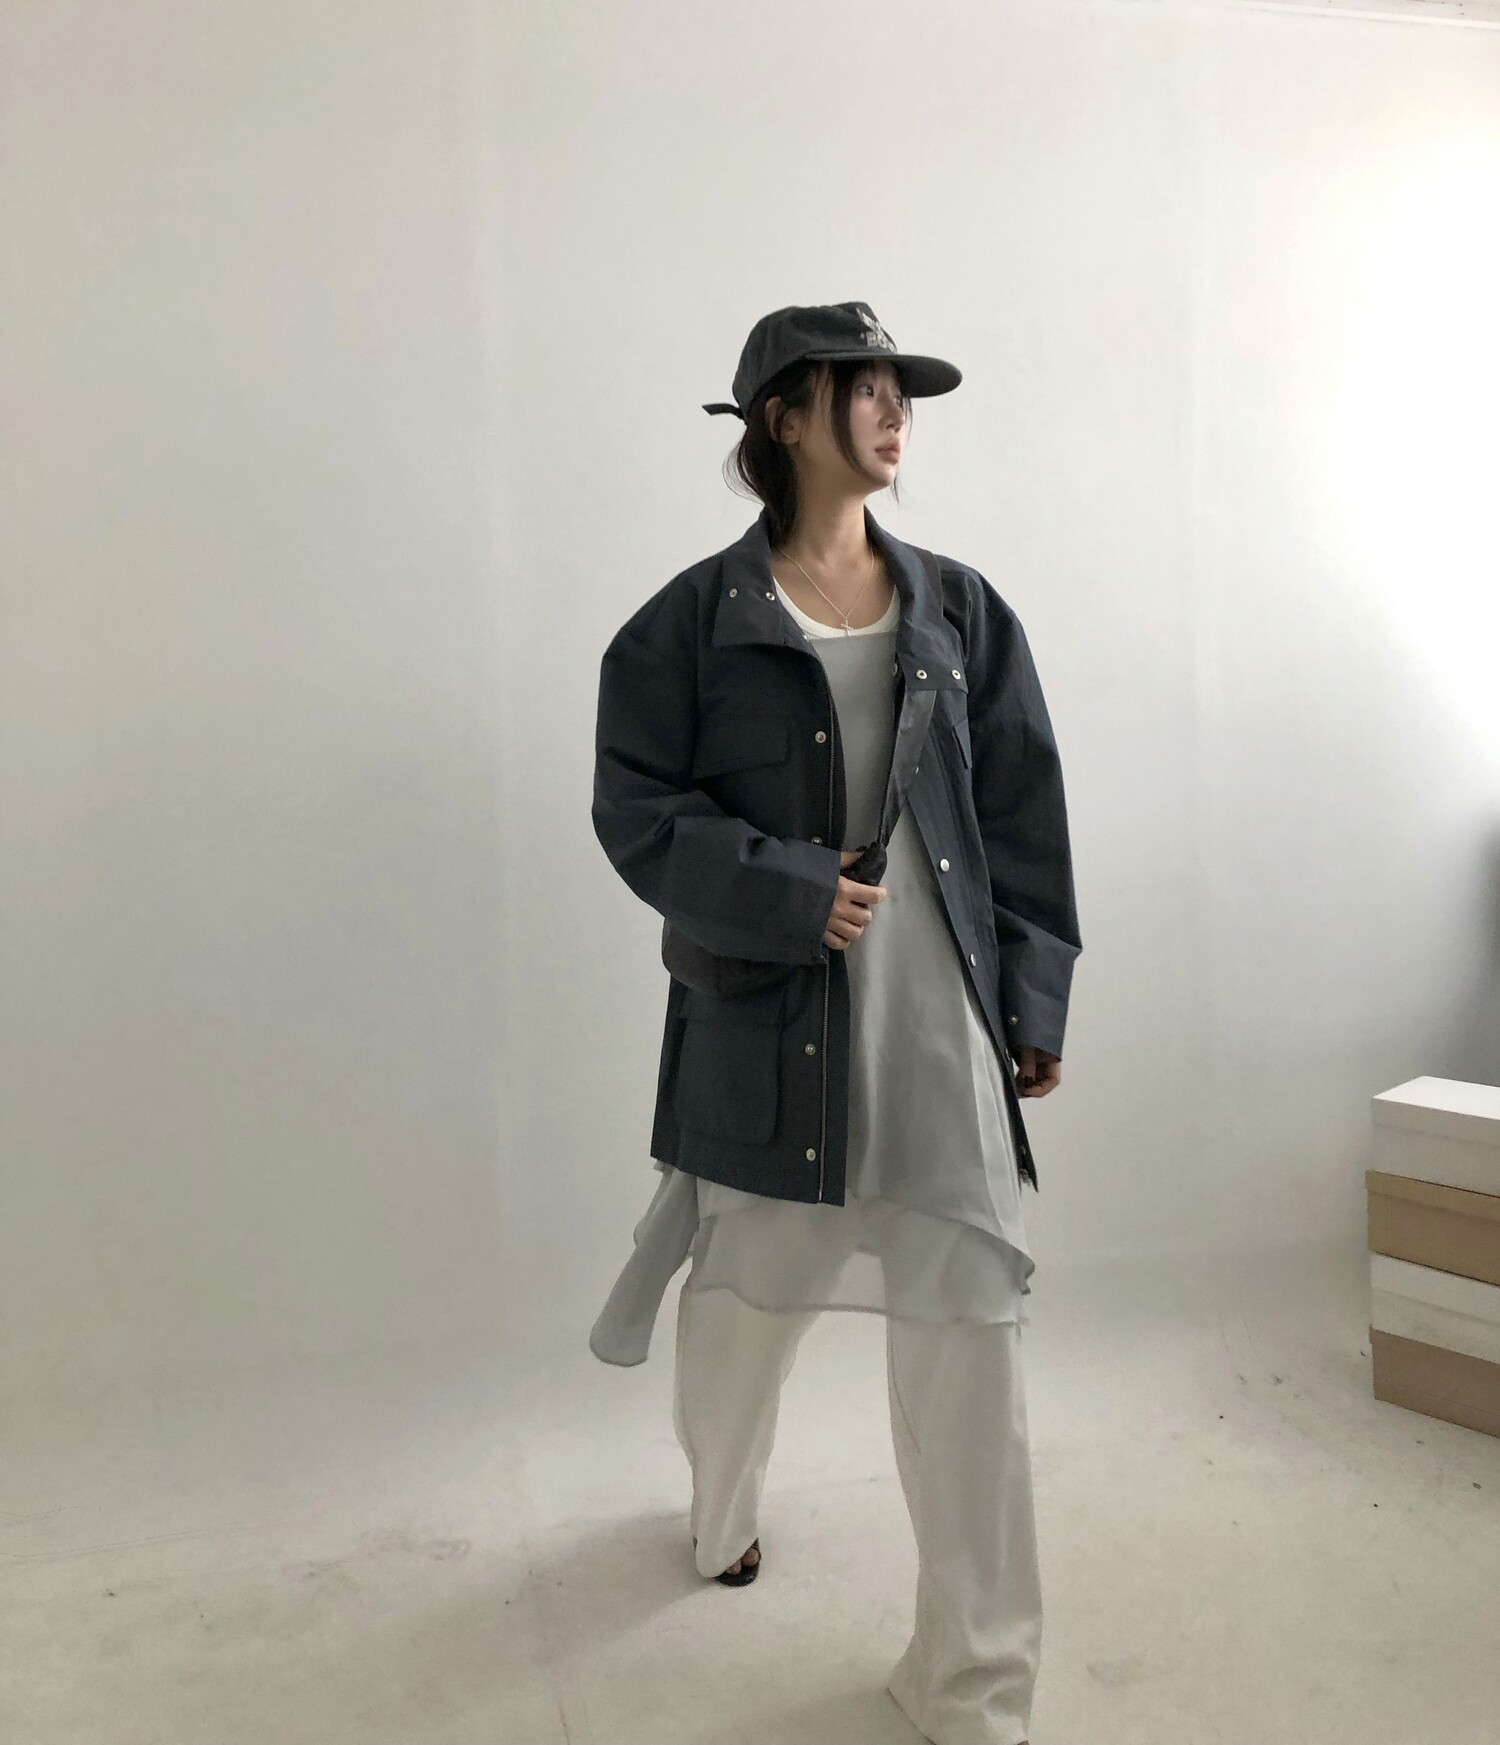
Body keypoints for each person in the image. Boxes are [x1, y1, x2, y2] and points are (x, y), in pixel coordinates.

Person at [588, 300, 1081, 1745]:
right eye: (865, 387)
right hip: (768, 1033)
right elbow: (635, 808)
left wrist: (1032, 991)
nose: (894, 410)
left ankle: (973, 1681)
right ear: (785, 416)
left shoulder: (962, 612)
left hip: (940, 1032)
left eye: (901, 390)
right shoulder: (687, 626)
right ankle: (722, 1506)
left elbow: (1023, 811)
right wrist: (791, 891)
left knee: (971, 1337)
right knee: (742, 1317)